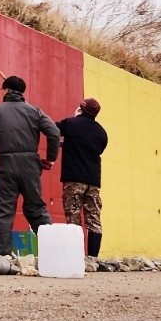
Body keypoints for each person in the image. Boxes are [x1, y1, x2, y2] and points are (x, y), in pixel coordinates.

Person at [0, 75, 60, 257]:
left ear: (6, 90)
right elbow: (54, 132)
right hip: (31, 164)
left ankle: (2, 256)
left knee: (4, 210)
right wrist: (50, 159)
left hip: (6, 163)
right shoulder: (34, 111)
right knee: (36, 208)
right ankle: (54, 251)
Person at [56, 98, 109, 258]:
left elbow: (52, 129)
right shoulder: (101, 132)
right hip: (93, 181)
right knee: (94, 218)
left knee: (73, 217)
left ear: (81, 109)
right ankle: (93, 258)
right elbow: (94, 150)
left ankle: (75, 256)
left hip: (74, 178)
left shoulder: (71, 124)